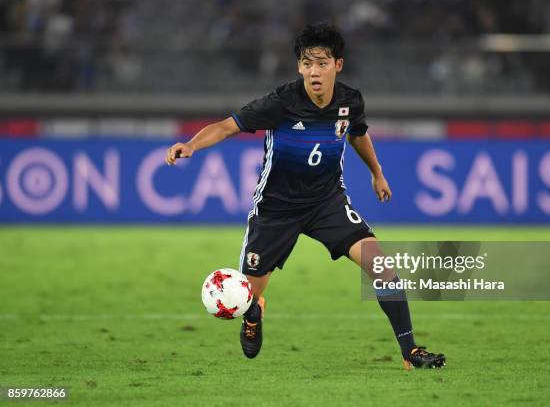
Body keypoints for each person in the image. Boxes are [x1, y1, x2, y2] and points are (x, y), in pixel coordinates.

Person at [166, 23, 445, 370]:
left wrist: (377, 172)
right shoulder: (280, 103)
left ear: (337, 65)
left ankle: (410, 351)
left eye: (322, 63)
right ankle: (254, 310)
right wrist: (191, 145)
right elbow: (226, 126)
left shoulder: (349, 101)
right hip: (276, 209)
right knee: (246, 293)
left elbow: (358, 135)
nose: (314, 72)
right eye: (307, 64)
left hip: (327, 202)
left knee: (382, 266)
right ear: (299, 67)